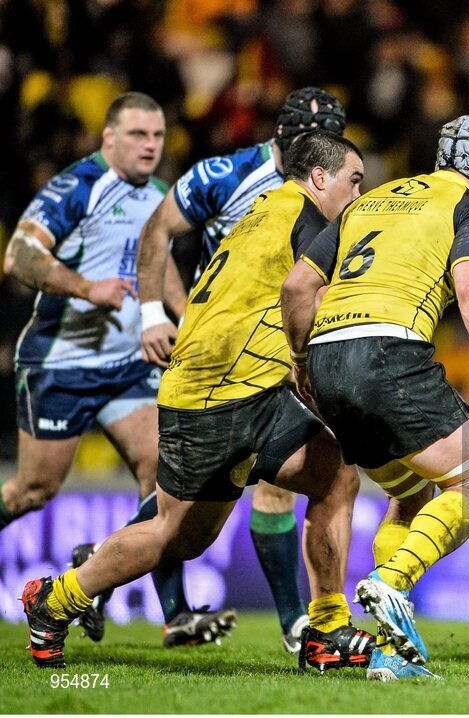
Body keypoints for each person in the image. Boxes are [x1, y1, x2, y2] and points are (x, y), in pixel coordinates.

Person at [20, 131, 384, 677]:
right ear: (320, 178)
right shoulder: (305, 221)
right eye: (354, 181)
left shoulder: (268, 210)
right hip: (214, 394)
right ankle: (56, 599)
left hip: (242, 387)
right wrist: (321, 368)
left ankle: (325, 630)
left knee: (332, 475)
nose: (358, 195)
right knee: (175, 535)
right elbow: (307, 296)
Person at [280, 113, 469, 678]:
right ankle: (390, 581)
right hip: (388, 351)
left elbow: (299, 286)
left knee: (408, 492)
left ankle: (394, 651)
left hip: (328, 358)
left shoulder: (369, 200)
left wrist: (306, 363)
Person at [79, 86, 347, 654]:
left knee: (292, 480)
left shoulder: (330, 195)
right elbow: (156, 231)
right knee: (185, 509)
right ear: (282, 136)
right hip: (214, 356)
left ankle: (297, 624)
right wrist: (155, 314)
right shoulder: (226, 175)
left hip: (274, 353)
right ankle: (111, 577)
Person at [0, 91, 234, 647]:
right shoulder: (75, 187)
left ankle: (175, 614)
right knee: (33, 490)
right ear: (108, 138)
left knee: (165, 478)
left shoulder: (157, 195)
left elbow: (159, 268)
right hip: (61, 364)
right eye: (137, 135)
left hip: (128, 369)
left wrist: (184, 319)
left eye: (156, 136)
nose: (150, 145)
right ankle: (96, 567)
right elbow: (19, 256)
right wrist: (87, 288)